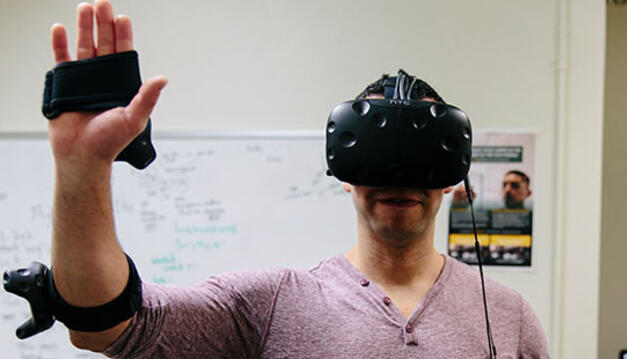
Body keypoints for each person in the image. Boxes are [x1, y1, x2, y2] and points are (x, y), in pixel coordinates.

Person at [46, 1, 549, 357]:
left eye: (419, 158)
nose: (400, 176)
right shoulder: (273, 304)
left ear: (450, 176)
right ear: (345, 173)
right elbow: (106, 324)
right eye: (379, 155)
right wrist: (81, 170)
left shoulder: (509, 315)